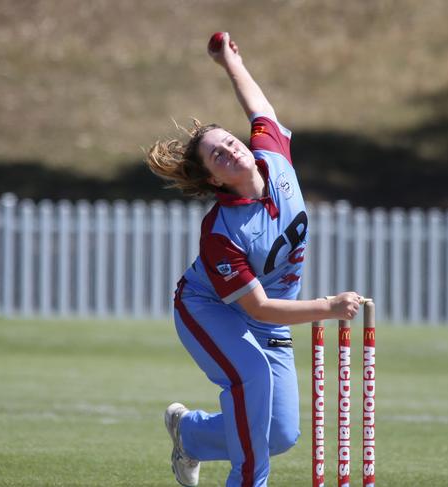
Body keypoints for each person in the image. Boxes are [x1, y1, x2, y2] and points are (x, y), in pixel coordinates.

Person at [146, 32, 362, 487]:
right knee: (251, 379)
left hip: (271, 318)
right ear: (213, 178)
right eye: (217, 156)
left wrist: (229, 62)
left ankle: (191, 435)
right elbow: (258, 307)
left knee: (279, 433)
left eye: (229, 141)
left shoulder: (273, 155)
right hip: (207, 309)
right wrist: (329, 305)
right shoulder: (221, 232)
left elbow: (257, 106)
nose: (230, 149)